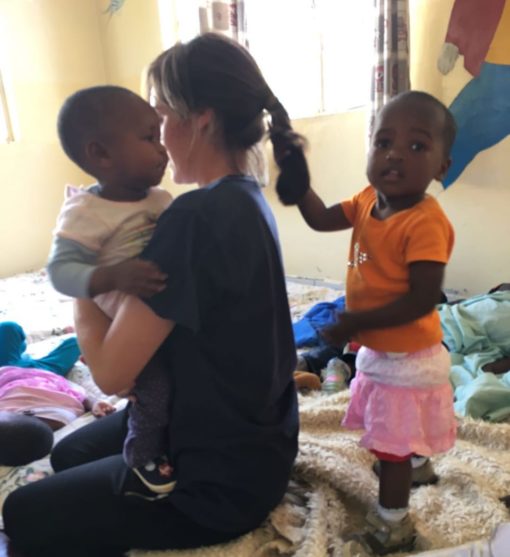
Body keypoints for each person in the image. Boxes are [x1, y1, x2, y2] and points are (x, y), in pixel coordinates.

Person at [3, 32, 305, 557]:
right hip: (260, 445)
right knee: (71, 454)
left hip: (216, 486)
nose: (159, 136)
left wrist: (87, 270)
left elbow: (110, 374)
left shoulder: (191, 219)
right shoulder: (244, 197)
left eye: (160, 117)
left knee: (21, 514)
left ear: (201, 120)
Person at [279, 91, 458, 555]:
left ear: (441, 167)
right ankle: (417, 466)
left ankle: (393, 527)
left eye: (416, 146)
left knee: (391, 445)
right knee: (401, 426)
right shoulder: (365, 201)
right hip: (383, 348)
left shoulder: (424, 222)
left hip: (409, 358)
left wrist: (356, 321)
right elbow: (320, 219)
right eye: (383, 142)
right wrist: (299, 181)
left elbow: (422, 298)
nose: (395, 154)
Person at [47, 86, 175, 493]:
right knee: (154, 388)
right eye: (149, 138)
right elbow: (60, 271)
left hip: (159, 317)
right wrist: (113, 277)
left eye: (160, 136)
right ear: (101, 154)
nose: (162, 149)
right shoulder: (85, 210)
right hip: (122, 324)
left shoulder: (161, 200)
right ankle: (143, 456)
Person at [0, 366, 115, 466]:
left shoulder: (12, 422)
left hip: (13, 376)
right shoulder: (65, 413)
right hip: (43, 377)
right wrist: (94, 403)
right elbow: (79, 395)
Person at [0, 321, 79, 376]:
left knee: (8, 329)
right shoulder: (37, 369)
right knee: (76, 342)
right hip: (32, 373)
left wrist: (59, 331)